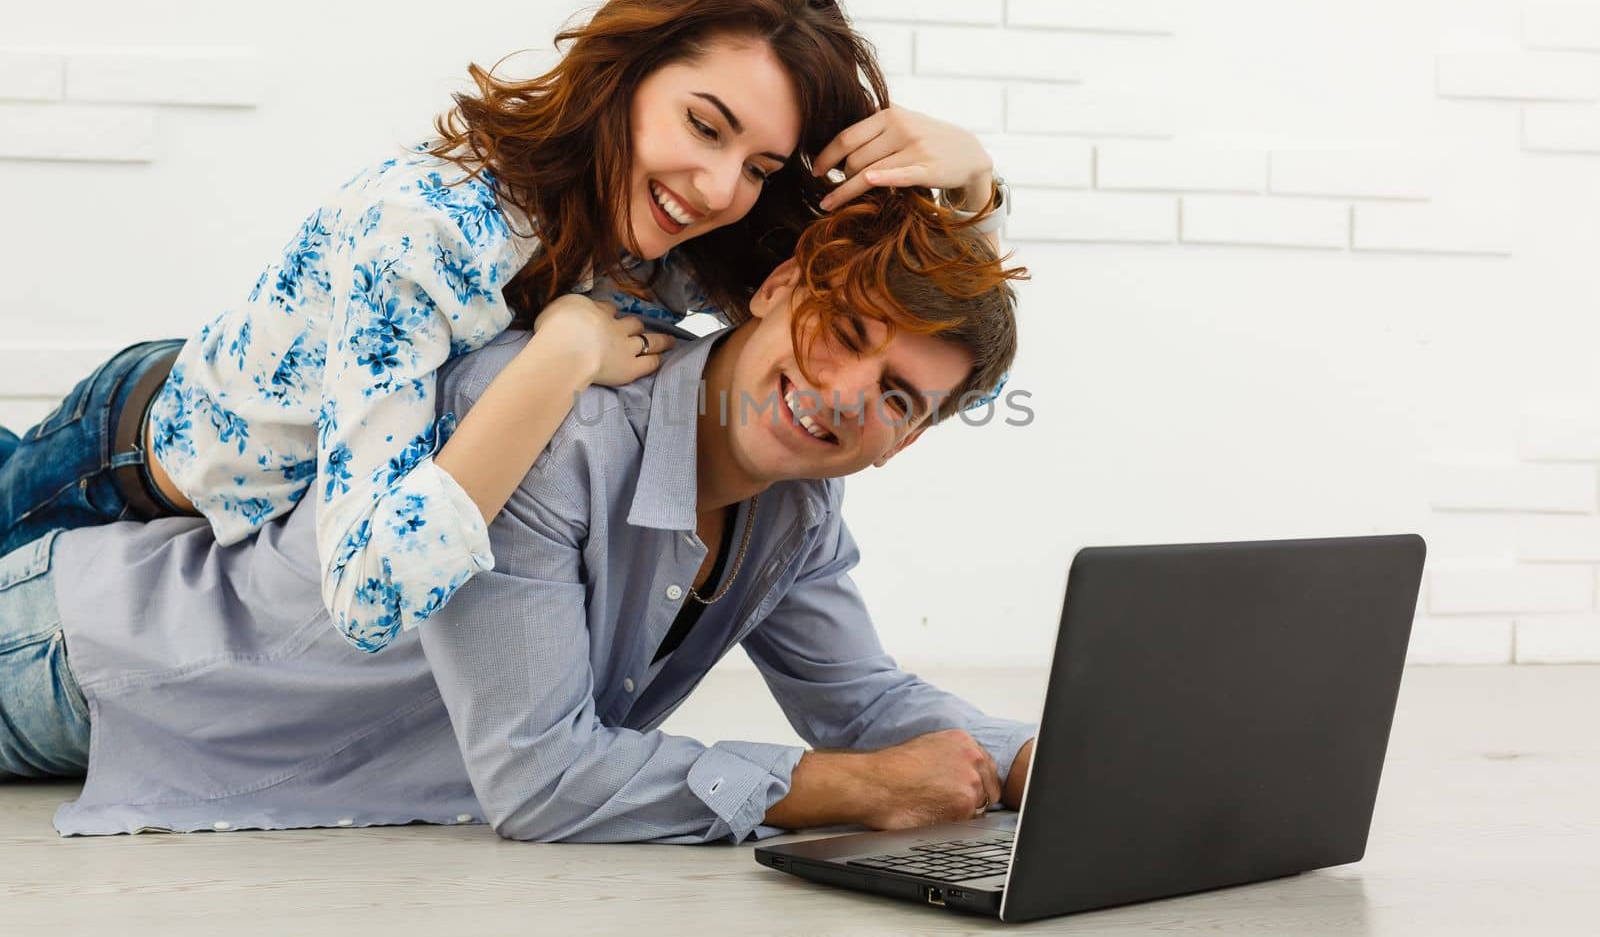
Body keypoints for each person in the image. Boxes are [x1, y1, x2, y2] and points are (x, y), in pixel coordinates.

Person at [0, 0, 1008, 653]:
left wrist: (973, 180)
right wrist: (561, 354)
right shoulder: (428, 231)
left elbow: (907, 315)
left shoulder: (669, 249)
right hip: (127, 459)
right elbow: (371, 598)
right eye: (704, 125)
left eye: (757, 166)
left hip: (215, 546)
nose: (717, 188)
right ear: (626, 69)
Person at [0, 189, 1035, 842]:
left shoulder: (798, 507)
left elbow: (860, 696)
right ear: (773, 285)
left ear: (914, 436)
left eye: (899, 396)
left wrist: (1038, 758)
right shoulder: (561, 424)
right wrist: (844, 789)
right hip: (91, 656)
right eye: (844, 329)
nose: (847, 392)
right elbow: (541, 775)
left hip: (215, 724)